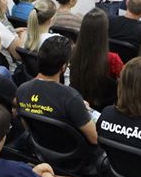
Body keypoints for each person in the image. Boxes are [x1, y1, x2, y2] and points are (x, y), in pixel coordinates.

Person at [16, 36, 101, 170]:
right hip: (74, 159)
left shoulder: (22, 90)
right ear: (63, 67)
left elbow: (27, 127)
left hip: (42, 150)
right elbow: (94, 139)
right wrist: (82, 110)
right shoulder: (70, 97)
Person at [69, 9, 122, 110]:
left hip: (78, 103)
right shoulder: (113, 59)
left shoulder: (73, 53)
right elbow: (122, 81)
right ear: (105, 31)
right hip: (105, 107)